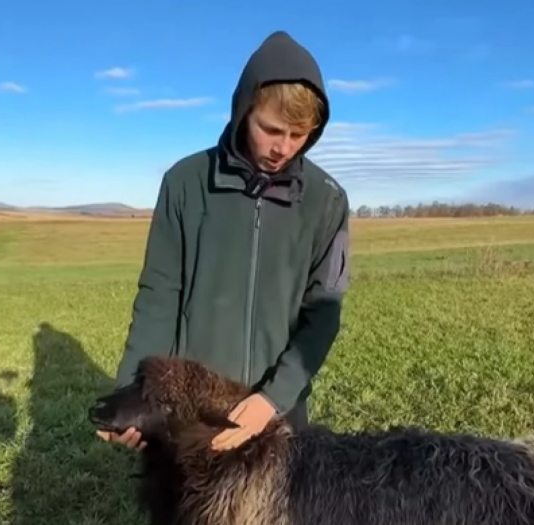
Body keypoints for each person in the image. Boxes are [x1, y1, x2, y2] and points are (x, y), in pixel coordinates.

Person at [96, 30, 350, 452]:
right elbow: (160, 295)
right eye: (270, 129)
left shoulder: (328, 201)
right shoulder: (184, 183)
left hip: (277, 417)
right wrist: (133, 393)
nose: (282, 148)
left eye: (298, 135)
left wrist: (273, 398)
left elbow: (323, 314)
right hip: (191, 413)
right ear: (242, 109)